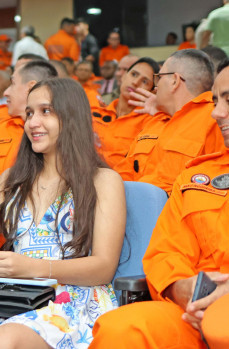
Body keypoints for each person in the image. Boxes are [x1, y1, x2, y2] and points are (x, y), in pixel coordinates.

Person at [0, 77, 126, 349]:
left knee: (6, 340)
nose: (32, 122)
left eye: (46, 111)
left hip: (71, 300)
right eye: (29, 113)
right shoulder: (11, 181)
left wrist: (35, 268)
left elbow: (103, 267)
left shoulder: (103, 180)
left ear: (72, 117)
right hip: (7, 295)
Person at [91, 60, 229, 349]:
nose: (216, 113)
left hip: (220, 317)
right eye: (216, 101)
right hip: (192, 313)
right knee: (120, 329)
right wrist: (183, 290)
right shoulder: (195, 178)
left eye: (228, 100)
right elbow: (166, 251)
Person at [115, 49, 225, 194]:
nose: (155, 87)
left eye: (159, 78)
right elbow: (122, 175)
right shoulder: (155, 122)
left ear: (174, 81)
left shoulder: (215, 118)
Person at [0, 60, 57, 251]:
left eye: (12, 83)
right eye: (30, 114)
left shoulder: (101, 179)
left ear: (30, 87)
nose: (5, 92)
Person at [91, 57, 159, 169]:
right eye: (134, 74)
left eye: (144, 81)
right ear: (123, 76)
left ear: (151, 91)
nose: (135, 82)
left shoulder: (150, 122)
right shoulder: (96, 111)